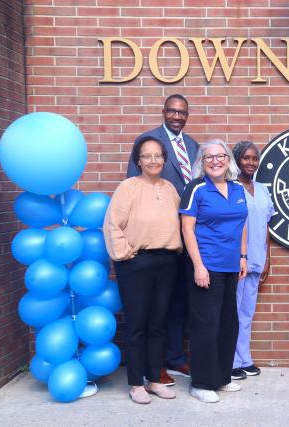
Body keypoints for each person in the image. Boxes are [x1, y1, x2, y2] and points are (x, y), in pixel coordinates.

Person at [127, 94, 199, 385]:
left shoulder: (193, 145)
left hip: (184, 235)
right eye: (172, 111)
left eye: (182, 112)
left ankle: (175, 358)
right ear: (163, 112)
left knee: (180, 300)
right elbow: (133, 186)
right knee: (156, 307)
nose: (177, 116)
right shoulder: (148, 142)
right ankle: (153, 366)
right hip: (156, 235)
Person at [104, 137, 180, 404]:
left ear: (164, 159)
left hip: (167, 262)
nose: (153, 160)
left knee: (158, 324)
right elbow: (113, 225)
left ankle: (154, 379)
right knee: (137, 324)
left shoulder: (170, 188)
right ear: (138, 160)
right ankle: (136, 383)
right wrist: (126, 255)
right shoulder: (128, 187)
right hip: (136, 263)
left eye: (158, 155)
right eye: (147, 156)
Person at [180, 139, 248, 403]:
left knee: (228, 323)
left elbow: (242, 224)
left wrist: (242, 256)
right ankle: (201, 382)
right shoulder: (196, 188)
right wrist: (198, 265)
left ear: (228, 160)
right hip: (206, 266)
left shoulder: (238, 188)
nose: (215, 161)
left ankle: (221, 377)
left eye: (220, 156)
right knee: (205, 325)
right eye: (209, 157)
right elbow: (187, 229)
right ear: (202, 162)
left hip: (232, 266)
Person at [230, 141, 275, 381]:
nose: (251, 163)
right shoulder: (230, 188)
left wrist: (268, 258)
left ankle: (244, 359)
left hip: (257, 259)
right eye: (246, 158)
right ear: (237, 160)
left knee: (247, 313)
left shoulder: (263, 189)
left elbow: (266, 225)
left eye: (254, 158)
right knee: (232, 312)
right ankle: (230, 361)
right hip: (237, 261)